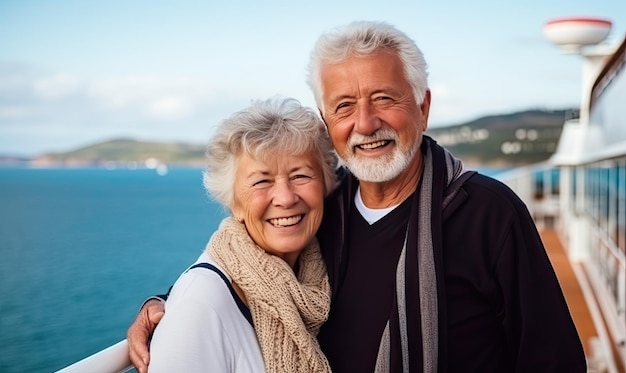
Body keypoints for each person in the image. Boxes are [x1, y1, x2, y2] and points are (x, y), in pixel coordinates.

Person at [128, 21, 586, 372]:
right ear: (328, 124)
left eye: (384, 98)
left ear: (423, 107)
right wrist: (163, 303)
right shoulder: (321, 208)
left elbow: (553, 359)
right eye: (344, 105)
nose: (365, 123)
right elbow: (245, 259)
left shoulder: (489, 213)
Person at [144, 97, 337, 372]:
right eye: (262, 181)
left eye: (300, 176)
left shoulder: (321, 276)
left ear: (326, 186)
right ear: (234, 203)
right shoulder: (200, 305)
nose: (285, 197)